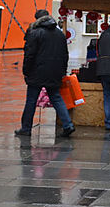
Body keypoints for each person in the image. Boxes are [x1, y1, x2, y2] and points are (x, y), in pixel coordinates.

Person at [17, 9, 75, 138]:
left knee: (31, 100)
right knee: (56, 98)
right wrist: (62, 71)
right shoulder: (60, 34)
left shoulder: (35, 33)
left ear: (37, 19)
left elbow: (29, 55)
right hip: (54, 72)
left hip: (36, 72)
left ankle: (26, 128)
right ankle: (68, 125)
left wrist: (26, 71)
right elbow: (65, 55)